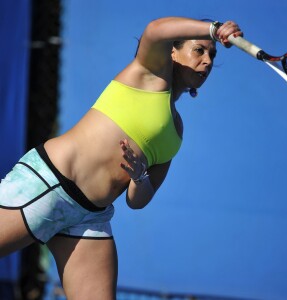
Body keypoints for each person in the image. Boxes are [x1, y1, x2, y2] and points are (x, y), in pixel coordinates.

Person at [0, 17, 242, 299]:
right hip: (49, 183)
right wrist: (213, 29)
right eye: (199, 50)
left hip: (89, 217)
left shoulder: (176, 130)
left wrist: (140, 177)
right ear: (172, 52)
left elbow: (137, 200)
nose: (208, 60)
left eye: (212, 54)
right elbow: (155, 30)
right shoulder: (147, 73)